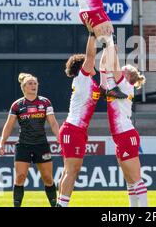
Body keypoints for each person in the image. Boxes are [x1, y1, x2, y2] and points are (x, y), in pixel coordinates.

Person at [0, 73, 60, 207]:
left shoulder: (45, 102)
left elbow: (53, 123)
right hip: (23, 146)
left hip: (42, 145)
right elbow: (8, 126)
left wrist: (59, 138)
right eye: (30, 83)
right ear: (24, 87)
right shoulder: (17, 105)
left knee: (48, 178)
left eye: (35, 83)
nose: (33, 86)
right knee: (20, 177)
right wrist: (2, 143)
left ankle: (54, 204)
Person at [56, 31, 101, 207]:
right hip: (73, 128)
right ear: (83, 66)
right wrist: (92, 34)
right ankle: (62, 205)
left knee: (70, 170)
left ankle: (60, 204)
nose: (94, 63)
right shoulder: (83, 77)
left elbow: (99, 93)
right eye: (90, 63)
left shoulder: (89, 82)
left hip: (77, 130)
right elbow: (90, 55)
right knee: (72, 170)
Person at [101, 45, 148, 207]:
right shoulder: (117, 85)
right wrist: (108, 50)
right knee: (129, 180)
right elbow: (105, 68)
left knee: (135, 178)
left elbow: (112, 67)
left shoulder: (125, 86)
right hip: (120, 136)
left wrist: (111, 49)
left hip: (126, 134)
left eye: (122, 70)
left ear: (127, 76)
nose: (119, 71)